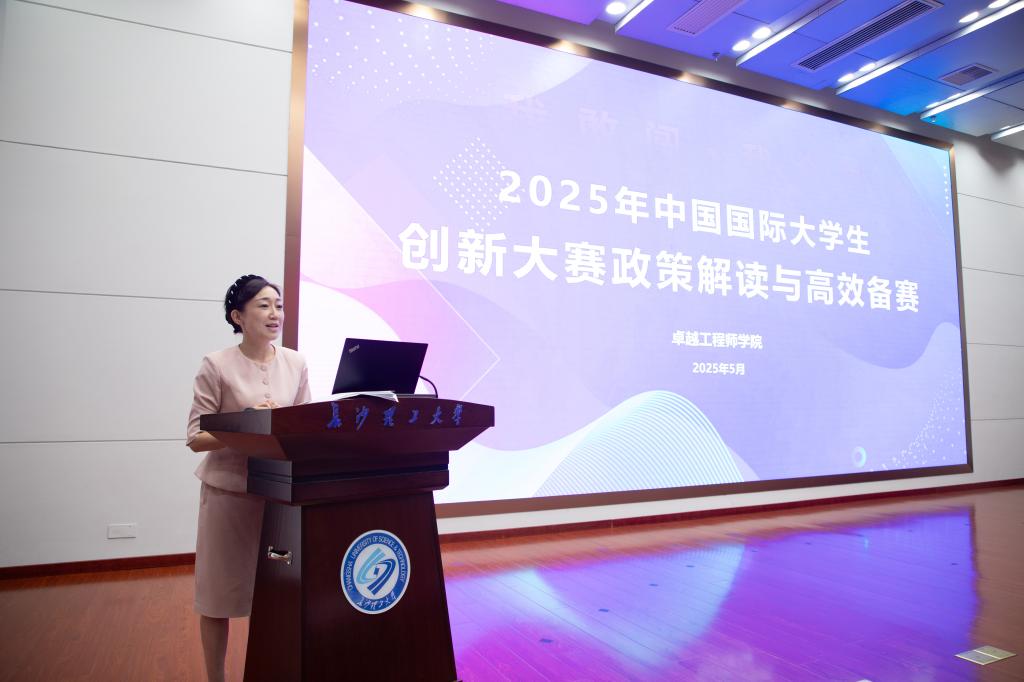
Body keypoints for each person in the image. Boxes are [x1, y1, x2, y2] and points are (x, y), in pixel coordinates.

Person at [186, 274, 310, 682]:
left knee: (278, 596)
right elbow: (195, 437)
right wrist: (248, 422)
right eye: (263, 305)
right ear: (237, 317)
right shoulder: (216, 364)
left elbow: (304, 426)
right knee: (218, 596)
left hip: (279, 497)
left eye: (279, 305)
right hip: (229, 495)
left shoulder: (296, 362)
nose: (275, 314)